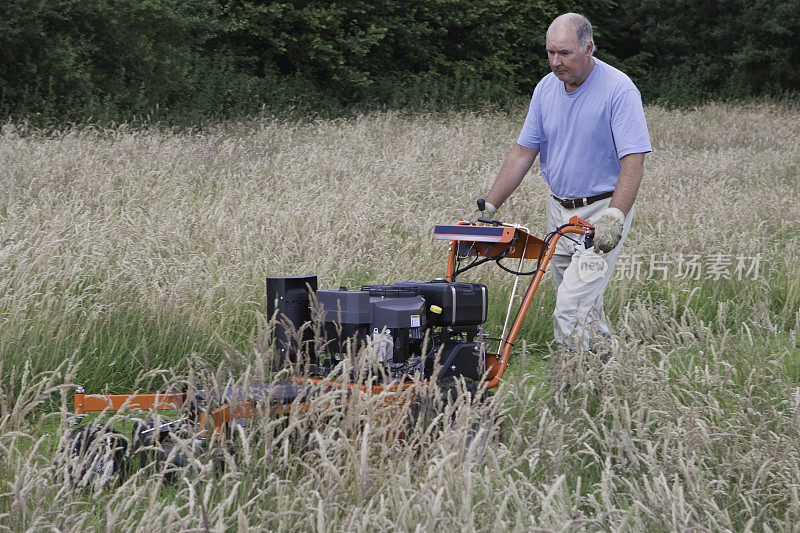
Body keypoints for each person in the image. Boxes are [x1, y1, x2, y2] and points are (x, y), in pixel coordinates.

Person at [469, 13, 652, 354]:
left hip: (602, 212)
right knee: (585, 307)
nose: (556, 62)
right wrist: (490, 206)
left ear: (588, 48)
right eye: (551, 52)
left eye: (565, 53)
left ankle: (567, 385)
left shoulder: (619, 90)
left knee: (570, 306)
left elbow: (634, 161)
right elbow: (523, 152)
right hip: (559, 212)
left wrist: (615, 217)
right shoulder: (544, 89)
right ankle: (605, 381)